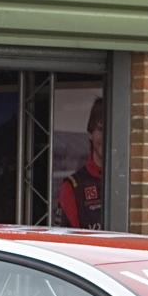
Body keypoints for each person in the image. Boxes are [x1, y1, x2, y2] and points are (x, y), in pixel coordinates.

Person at [55, 97, 107, 229]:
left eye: (112, 129)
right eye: (100, 129)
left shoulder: (131, 183)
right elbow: (67, 243)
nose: (106, 136)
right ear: (90, 134)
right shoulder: (72, 187)